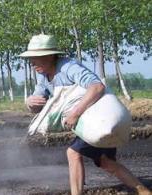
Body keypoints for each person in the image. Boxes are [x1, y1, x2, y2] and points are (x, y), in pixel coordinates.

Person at [20, 34, 151, 195]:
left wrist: (75, 113)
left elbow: (97, 87)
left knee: (73, 153)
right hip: (90, 123)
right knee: (106, 162)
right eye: (31, 58)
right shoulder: (43, 76)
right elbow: (37, 106)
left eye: (35, 58)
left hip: (95, 117)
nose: (31, 63)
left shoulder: (68, 67)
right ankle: (143, 191)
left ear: (49, 56)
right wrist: (30, 103)